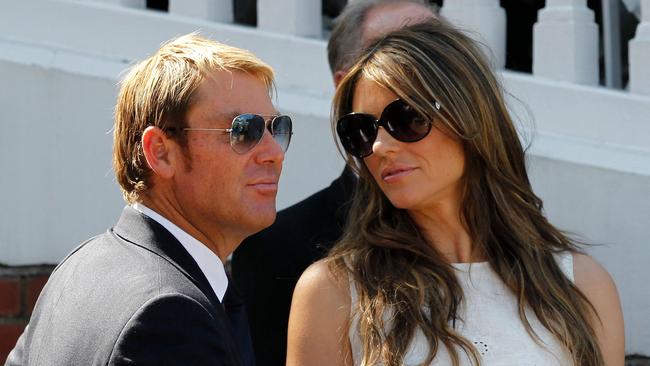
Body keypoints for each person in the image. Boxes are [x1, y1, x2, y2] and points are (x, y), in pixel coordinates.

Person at [287, 20, 625, 366]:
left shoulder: (582, 284)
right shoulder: (334, 292)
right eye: (361, 130)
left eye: (406, 118)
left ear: (468, 115)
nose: (379, 146)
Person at [6, 33, 292, 365]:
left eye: (277, 128)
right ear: (161, 152)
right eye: (245, 130)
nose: (274, 153)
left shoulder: (82, 264)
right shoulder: (170, 316)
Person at [231, 1, 436, 365]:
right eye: (395, 54)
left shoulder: (518, 241)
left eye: (436, 49)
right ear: (346, 89)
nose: (421, 74)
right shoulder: (277, 249)